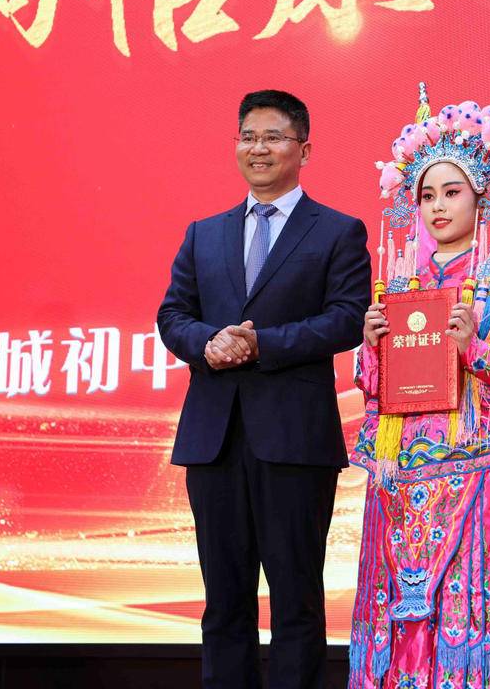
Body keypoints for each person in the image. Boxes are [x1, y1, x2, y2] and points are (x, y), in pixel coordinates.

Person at [347, 80, 490, 689]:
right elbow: (375, 391)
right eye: (426, 195)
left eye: (452, 192)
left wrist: (475, 348)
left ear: (481, 197)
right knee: (397, 608)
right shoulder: (401, 286)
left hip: (473, 466)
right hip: (399, 471)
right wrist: (371, 347)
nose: (437, 207)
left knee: (469, 605)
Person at [157, 89, 371, 689]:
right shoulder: (204, 234)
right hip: (215, 440)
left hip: (294, 442)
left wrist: (261, 344)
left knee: (296, 600)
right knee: (224, 602)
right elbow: (172, 314)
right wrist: (208, 341)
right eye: (248, 137)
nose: (259, 149)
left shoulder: (338, 231)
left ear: (304, 149)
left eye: (273, 137)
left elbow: (347, 318)